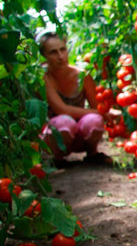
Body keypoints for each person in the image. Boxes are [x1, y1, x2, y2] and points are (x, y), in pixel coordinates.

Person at [38, 31, 115, 167]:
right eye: (53, 52)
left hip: (80, 136)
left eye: (63, 49)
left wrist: (102, 113)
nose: (61, 56)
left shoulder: (82, 76)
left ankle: (92, 153)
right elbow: (61, 109)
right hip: (57, 136)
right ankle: (57, 158)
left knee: (95, 120)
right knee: (64, 122)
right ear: (44, 56)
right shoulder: (44, 77)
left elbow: (96, 107)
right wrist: (103, 113)